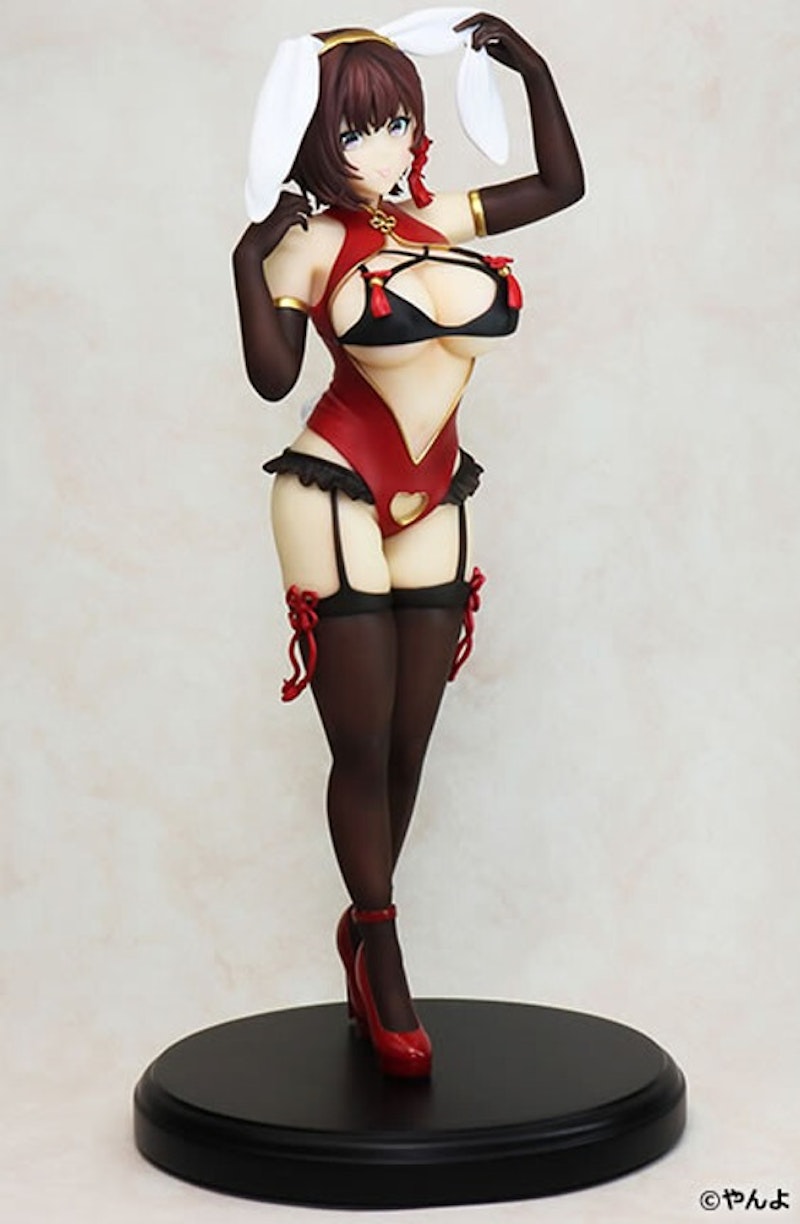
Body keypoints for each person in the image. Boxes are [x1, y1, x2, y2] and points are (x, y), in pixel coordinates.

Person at [232, 9, 584, 1078]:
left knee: (408, 744)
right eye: (355, 131)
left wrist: (534, 74)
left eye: (395, 124)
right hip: (333, 486)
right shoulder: (308, 244)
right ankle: (382, 950)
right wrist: (248, 253)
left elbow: (560, 186)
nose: (381, 149)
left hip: (437, 490)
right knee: (360, 740)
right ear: (312, 139)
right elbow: (271, 377)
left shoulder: (438, 217)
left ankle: (361, 930)